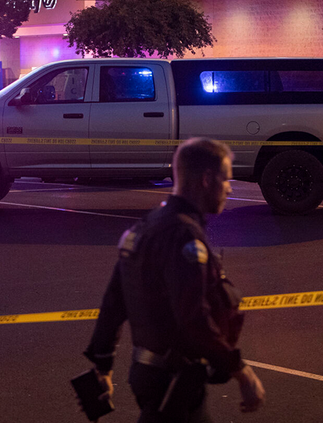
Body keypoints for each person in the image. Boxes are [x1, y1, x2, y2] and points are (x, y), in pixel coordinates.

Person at [83, 137, 265, 422]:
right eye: (227, 179)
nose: (230, 188)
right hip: (173, 382)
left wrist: (102, 365)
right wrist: (241, 371)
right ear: (207, 179)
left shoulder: (146, 226)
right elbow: (193, 316)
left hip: (150, 374)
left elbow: (113, 302)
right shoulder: (183, 236)